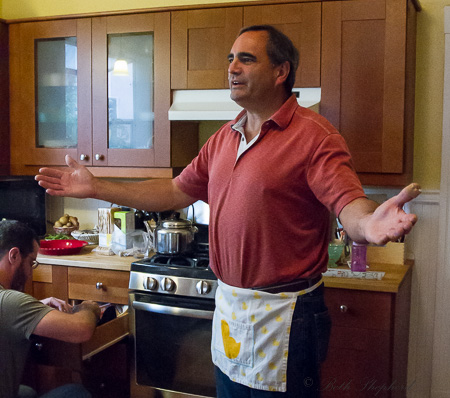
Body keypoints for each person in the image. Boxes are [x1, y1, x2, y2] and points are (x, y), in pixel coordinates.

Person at [35, 25, 420, 397]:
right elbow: (172, 190)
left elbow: (347, 202)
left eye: (247, 59)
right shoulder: (223, 138)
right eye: (231, 59)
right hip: (232, 308)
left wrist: (369, 223)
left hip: (287, 314)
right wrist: (97, 187)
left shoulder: (314, 136)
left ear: (280, 71)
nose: (233, 68)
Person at [0, 220, 101, 398]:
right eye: (31, 263)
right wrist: (88, 307)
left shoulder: (11, 305)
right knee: (76, 393)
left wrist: (35, 308)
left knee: (26, 392)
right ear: (14, 256)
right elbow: (81, 329)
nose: (31, 274)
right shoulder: (10, 303)